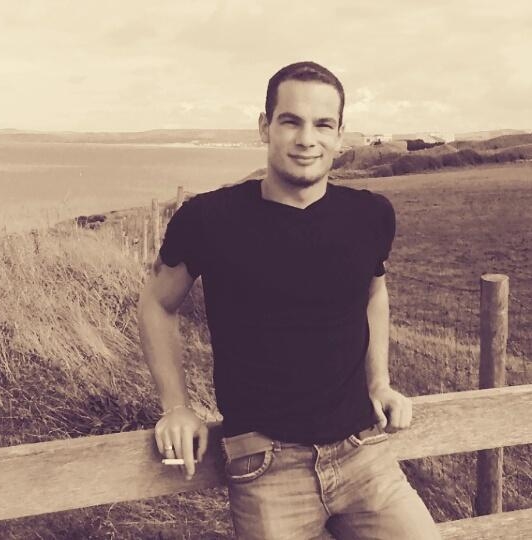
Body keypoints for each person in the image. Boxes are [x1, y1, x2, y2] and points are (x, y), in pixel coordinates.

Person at [137, 61, 440, 539]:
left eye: (323, 124)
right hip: (266, 466)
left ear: (340, 135)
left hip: (364, 452)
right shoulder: (208, 219)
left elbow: (373, 292)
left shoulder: (370, 215)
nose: (306, 139)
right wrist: (176, 407)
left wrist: (379, 383)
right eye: (291, 121)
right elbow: (157, 304)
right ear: (265, 127)